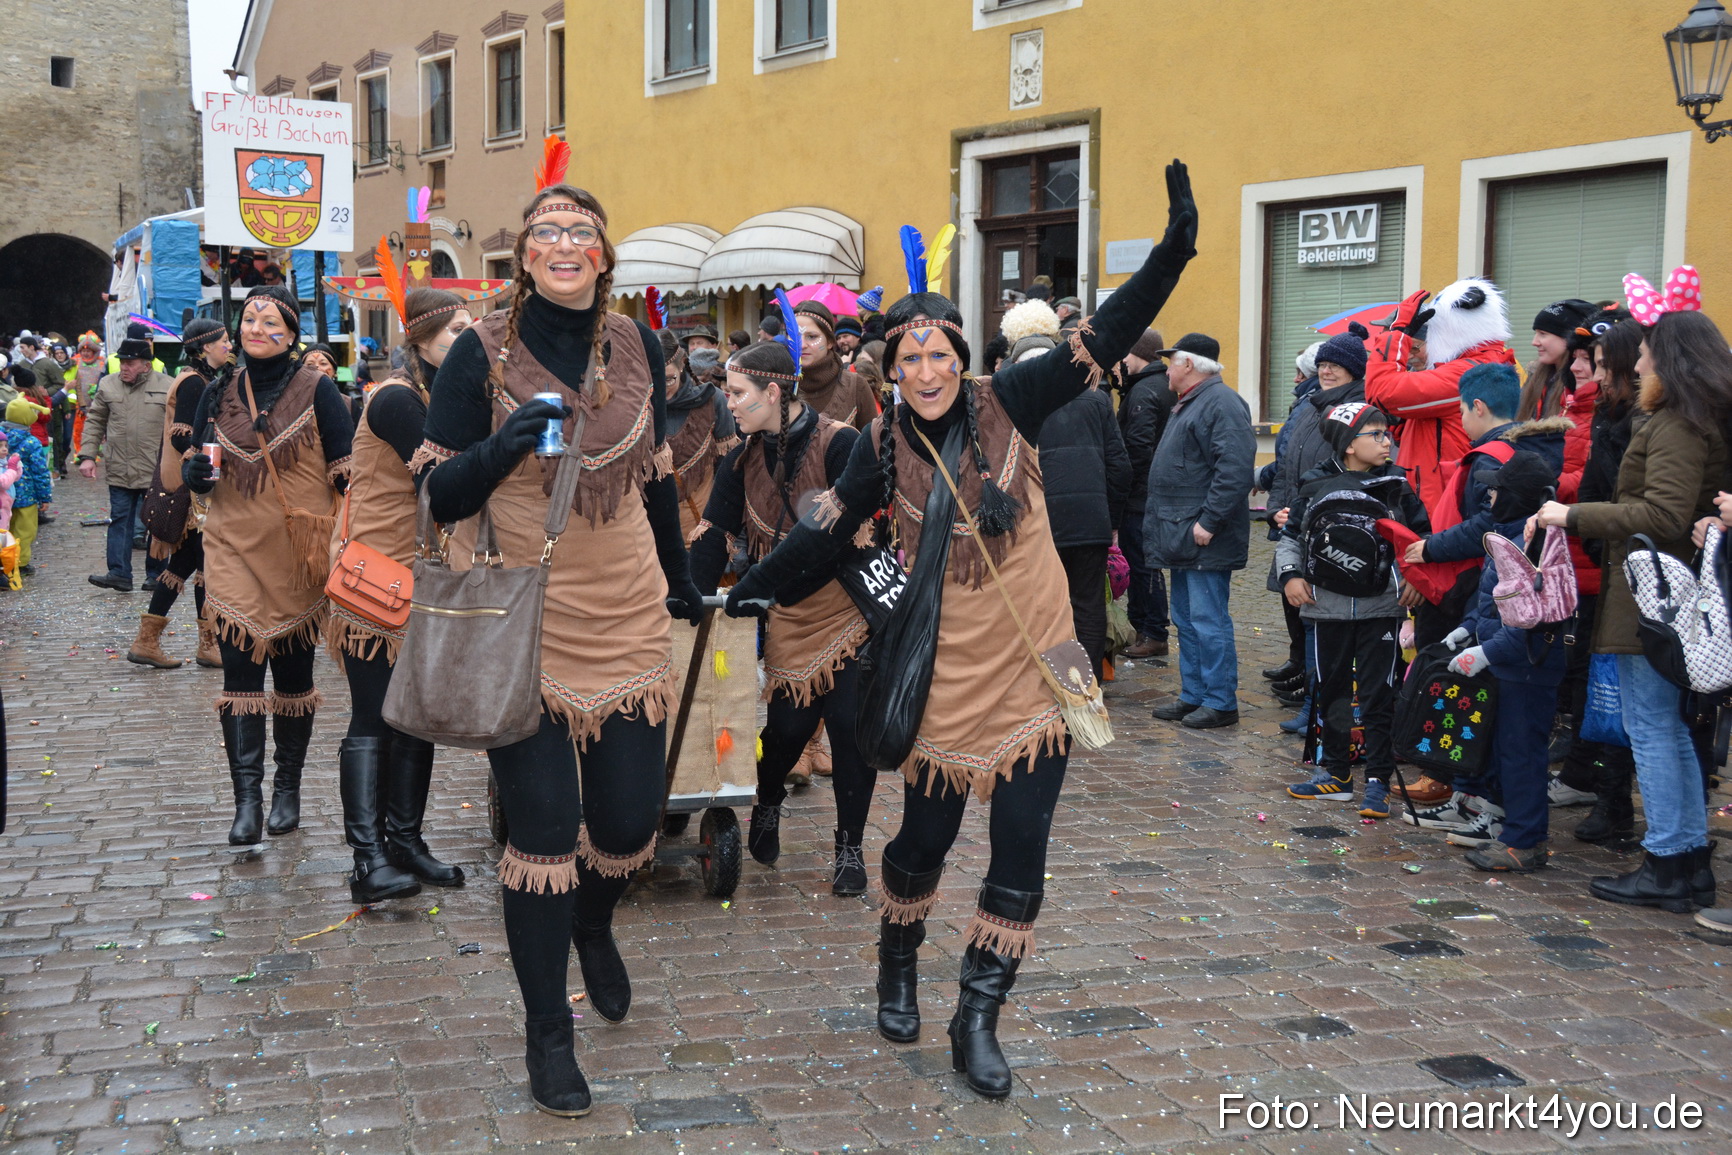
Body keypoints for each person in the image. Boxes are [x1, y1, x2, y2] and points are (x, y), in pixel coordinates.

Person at [721, 159, 1195, 1100]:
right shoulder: (874, 449)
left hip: (1041, 665)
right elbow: (819, 544)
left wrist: (1176, 246)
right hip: (941, 673)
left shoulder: (1012, 402)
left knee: (1023, 846)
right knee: (923, 843)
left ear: (963, 356)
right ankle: (899, 954)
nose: (928, 371)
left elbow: (1108, 331)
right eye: (911, 359)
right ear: (889, 370)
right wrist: (747, 594)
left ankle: (978, 1013)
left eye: (942, 354)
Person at [417, 180, 706, 1119]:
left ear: (604, 252)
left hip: (623, 606)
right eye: (548, 230)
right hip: (523, 618)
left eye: (583, 229)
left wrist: (681, 574)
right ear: (525, 254)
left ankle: (594, 921)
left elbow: (656, 472)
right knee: (543, 833)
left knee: (626, 823)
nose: (567, 242)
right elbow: (443, 496)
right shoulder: (478, 351)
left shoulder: (636, 344)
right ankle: (550, 1030)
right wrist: (502, 444)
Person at [1531, 307, 1732, 913]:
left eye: (1645, 353)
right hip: (1657, 595)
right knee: (1667, 730)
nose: (1637, 362)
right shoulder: (1692, 418)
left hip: (1653, 599)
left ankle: (1669, 862)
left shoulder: (1676, 424)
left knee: (1654, 730)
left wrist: (1573, 516)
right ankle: (1685, 864)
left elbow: (1664, 515)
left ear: (1669, 359)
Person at [689, 339, 876, 894]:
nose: (730, 405)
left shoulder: (841, 444)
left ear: (773, 393)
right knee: (788, 733)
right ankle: (766, 800)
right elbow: (715, 535)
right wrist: (693, 603)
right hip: (788, 615)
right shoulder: (741, 458)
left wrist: (759, 585)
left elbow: (835, 535)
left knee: (849, 731)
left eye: (738, 394)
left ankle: (850, 850)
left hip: (846, 605)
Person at [183, 285, 354, 849]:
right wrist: (194, 474)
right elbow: (200, 455)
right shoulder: (219, 389)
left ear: (291, 329)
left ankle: (287, 789)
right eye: (249, 319)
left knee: (293, 679)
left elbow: (347, 472)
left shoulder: (319, 388)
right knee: (239, 677)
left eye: (270, 319)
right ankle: (247, 802)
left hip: (296, 553)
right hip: (232, 545)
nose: (257, 328)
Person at [331, 287, 472, 904]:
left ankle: (404, 843)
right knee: (372, 714)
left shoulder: (439, 395)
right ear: (417, 341)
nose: (464, 343)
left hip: (423, 580)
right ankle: (367, 859)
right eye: (451, 334)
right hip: (377, 581)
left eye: (471, 332)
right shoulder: (395, 400)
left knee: (414, 714)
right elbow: (443, 478)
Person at [1279, 403, 1428, 816]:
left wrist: (1417, 578)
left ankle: (1378, 779)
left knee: (1379, 694)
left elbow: (1421, 537)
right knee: (1333, 690)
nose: (1387, 442)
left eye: (1387, 434)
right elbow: (1291, 536)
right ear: (1348, 445)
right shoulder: (1316, 484)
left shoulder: (1397, 484)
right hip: (1326, 608)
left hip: (1382, 607)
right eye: (1376, 435)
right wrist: (1290, 575)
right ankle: (1338, 773)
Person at [1443, 452, 1570, 871]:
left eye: (1497, 491)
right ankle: (1508, 825)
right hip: (1512, 662)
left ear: (1515, 498)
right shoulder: (1513, 534)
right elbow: (1491, 602)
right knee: (1507, 749)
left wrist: (1485, 652)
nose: (1490, 496)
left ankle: (1524, 840)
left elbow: (1528, 622)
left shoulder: (1532, 544)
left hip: (1529, 663)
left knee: (1523, 753)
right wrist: (1468, 627)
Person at [1399, 363, 1570, 651]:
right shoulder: (1533, 447)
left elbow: (1491, 522)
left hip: (1479, 582)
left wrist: (1432, 547)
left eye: (1462, 410)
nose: (1462, 419)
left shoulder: (1491, 457)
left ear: (1478, 407)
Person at [1002, 303, 1130, 679]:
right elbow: (1120, 466)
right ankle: (1086, 688)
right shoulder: (1095, 398)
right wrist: (1111, 521)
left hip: (1034, 521)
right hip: (1088, 522)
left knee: (1038, 603)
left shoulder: (1008, 401)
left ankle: (1045, 682)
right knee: (1087, 603)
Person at [1560, 317, 1644, 844]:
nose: (1587, 370)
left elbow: (1641, 505)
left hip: (1636, 569)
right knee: (1608, 687)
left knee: (1636, 699)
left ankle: (1632, 813)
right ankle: (1608, 798)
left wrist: (1584, 524)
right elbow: (1597, 486)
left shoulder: (1643, 421)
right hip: (1608, 562)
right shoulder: (1610, 416)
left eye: (1599, 362)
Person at [1145, 332, 1256, 729]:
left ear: (1187, 365)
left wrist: (1210, 520)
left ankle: (1220, 701)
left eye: (1171, 362)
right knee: (1187, 619)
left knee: (1208, 620)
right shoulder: (1193, 402)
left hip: (1203, 534)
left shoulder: (1220, 403)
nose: (1166, 369)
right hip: (1184, 532)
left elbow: (1235, 468)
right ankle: (1195, 695)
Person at [1263, 327, 1371, 725]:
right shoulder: (1310, 405)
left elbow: (1344, 474)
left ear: (1353, 371)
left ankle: (1320, 708)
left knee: (1322, 623)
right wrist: (1277, 509)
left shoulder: (1358, 411)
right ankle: (1312, 703)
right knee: (1306, 617)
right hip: (1297, 524)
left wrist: (1304, 511)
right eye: (1323, 364)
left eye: (1336, 366)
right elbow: (1286, 465)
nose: (1327, 371)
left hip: (1329, 529)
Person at [128, 318, 231, 671]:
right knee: (205, 565)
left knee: (185, 563)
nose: (229, 346)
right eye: (224, 341)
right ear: (206, 347)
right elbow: (180, 435)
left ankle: (148, 640)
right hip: (192, 492)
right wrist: (206, 461)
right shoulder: (193, 382)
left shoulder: (203, 379)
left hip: (192, 488)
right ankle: (209, 643)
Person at [1365, 278, 1518, 516]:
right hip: (1436, 502)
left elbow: (1381, 393)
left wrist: (1397, 333)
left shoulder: (1466, 371)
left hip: (1440, 508)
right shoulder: (1472, 365)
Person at [78, 330, 173, 593]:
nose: (123, 367)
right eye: (121, 362)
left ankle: (156, 575)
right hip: (119, 467)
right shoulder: (108, 385)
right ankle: (119, 573)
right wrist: (87, 456)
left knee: (156, 522)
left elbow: (178, 426)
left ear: (145, 364)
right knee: (120, 519)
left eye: (129, 363)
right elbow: (95, 421)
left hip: (156, 468)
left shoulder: (167, 385)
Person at [1117, 328, 1174, 660]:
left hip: (1141, 495)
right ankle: (1144, 630)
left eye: (1125, 355)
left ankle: (1152, 632)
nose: (1120, 363)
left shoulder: (1143, 392)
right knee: (1142, 562)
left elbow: (1137, 448)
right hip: (1149, 492)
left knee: (1144, 563)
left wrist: (1123, 484)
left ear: (1136, 354)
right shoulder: (1156, 387)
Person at [665, 341, 738, 541]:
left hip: (701, 529)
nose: (662, 389)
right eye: (653, 379)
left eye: (669, 379)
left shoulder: (712, 400)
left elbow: (729, 470)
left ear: (681, 366)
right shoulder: (638, 406)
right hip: (649, 533)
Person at [792, 301, 882, 431]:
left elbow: (872, 446)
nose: (802, 345)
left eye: (812, 337)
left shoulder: (856, 386)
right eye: (795, 337)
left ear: (830, 342)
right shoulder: (777, 386)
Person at [1520, 299, 1596, 421]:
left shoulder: (1582, 380)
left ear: (1568, 338)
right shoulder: (1536, 377)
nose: (1534, 342)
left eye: (1543, 334)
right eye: (1536, 333)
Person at [0, 398, 51, 577]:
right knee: (25, 530)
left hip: (2, 494)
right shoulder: (31, 442)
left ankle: (3, 560)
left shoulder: (1, 437)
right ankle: (19, 563)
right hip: (25, 495)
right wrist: (45, 496)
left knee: (4, 528)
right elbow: (40, 472)